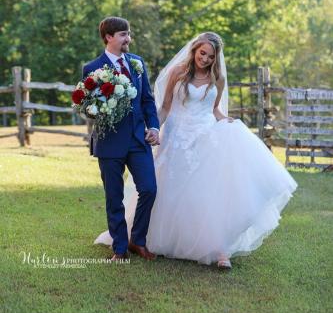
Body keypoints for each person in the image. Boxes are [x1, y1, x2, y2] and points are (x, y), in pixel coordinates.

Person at [95, 32, 297, 269]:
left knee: (207, 192)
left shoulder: (217, 79)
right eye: (202, 53)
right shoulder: (177, 73)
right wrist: (153, 130)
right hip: (176, 137)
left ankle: (220, 250)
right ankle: (142, 238)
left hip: (204, 136)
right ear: (194, 51)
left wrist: (227, 122)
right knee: (164, 189)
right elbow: (166, 107)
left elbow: (215, 110)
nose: (206, 59)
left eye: (211, 57)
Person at [83, 16, 160, 261]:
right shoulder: (92, 68)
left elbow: (147, 99)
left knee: (149, 189)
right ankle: (119, 248)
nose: (129, 39)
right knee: (114, 196)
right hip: (110, 143)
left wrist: (154, 128)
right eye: (124, 34)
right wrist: (96, 108)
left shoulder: (137, 63)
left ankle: (138, 241)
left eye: (128, 33)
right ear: (109, 37)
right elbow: (88, 107)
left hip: (139, 140)